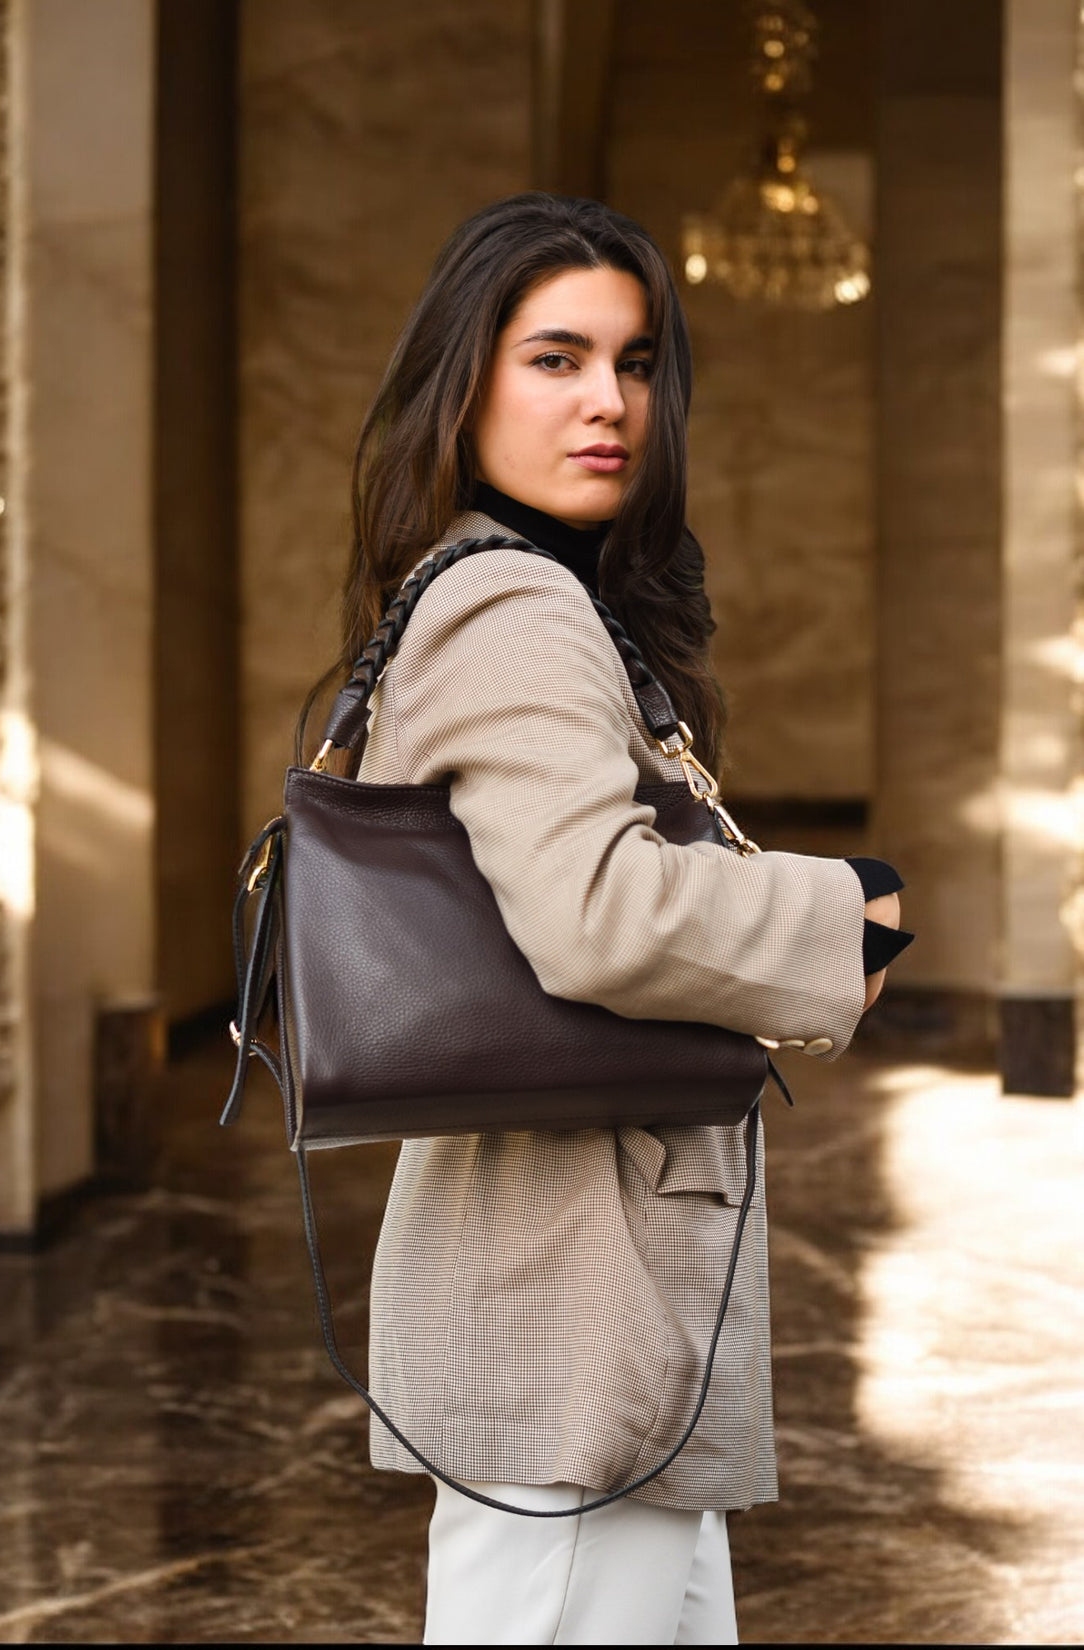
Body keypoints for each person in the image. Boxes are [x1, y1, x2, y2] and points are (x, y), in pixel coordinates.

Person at [303, 193, 911, 1646]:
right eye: (556, 358)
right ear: (467, 384)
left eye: (635, 365)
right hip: (571, 1306)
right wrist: (853, 919)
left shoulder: (521, 593)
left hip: (592, 1300)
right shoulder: (513, 606)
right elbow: (594, 910)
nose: (610, 403)